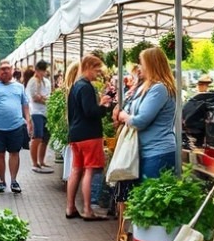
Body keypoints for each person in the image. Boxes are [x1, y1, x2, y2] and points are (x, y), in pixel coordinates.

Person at [114, 46, 178, 190]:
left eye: (142, 63)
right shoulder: (148, 87)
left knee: (151, 204)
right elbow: (130, 108)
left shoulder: (159, 89)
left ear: (151, 65)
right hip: (147, 152)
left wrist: (124, 116)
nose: (139, 67)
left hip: (157, 154)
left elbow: (140, 121)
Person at [65, 55, 113, 221]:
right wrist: (104, 106)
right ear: (88, 67)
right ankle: (87, 209)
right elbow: (90, 112)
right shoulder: (86, 87)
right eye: (97, 70)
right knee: (89, 170)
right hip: (89, 135)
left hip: (76, 134)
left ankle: (70, 207)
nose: (98, 74)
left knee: (76, 170)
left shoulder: (75, 86)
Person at [0, 60, 32, 194]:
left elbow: (25, 105)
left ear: (12, 70)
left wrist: (28, 120)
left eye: (7, 69)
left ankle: (14, 180)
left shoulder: (19, 87)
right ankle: (1, 181)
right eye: (2, 69)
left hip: (16, 125)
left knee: (14, 153)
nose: (4, 71)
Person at [26, 60, 53, 174]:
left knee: (45, 138)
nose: (43, 73)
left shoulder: (46, 82)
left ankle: (42, 161)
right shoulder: (33, 82)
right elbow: (35, 97)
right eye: (41, 70)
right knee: (37, 137)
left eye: (44, 70)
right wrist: (44, 99)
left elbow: (46, 96)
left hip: (46, 112)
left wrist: (43, 98)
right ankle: (34, 162)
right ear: (36, 70)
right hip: (36, 112)